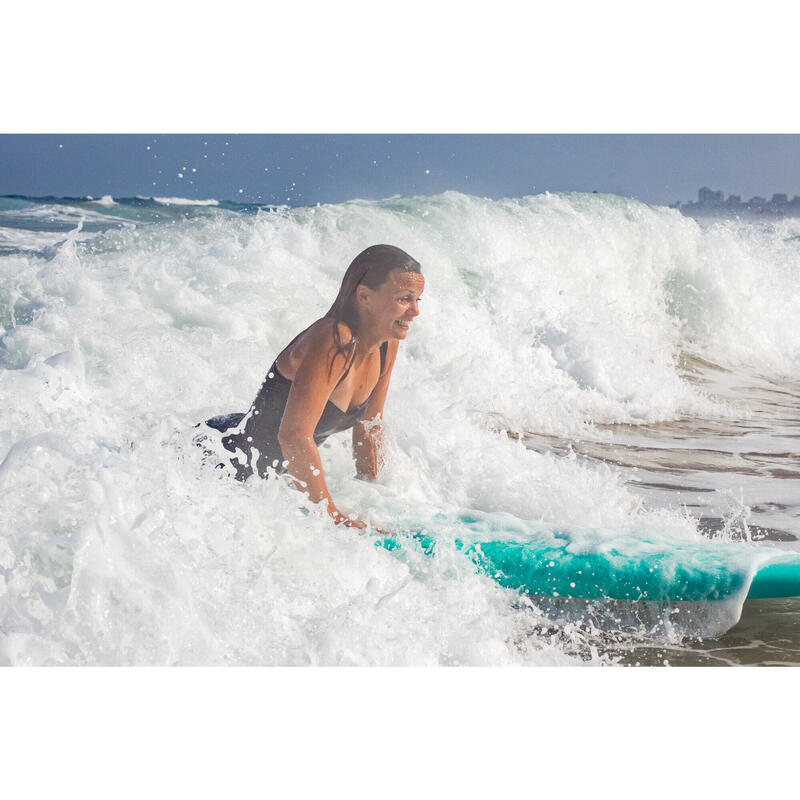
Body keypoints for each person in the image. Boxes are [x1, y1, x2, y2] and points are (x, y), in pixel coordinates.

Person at [202, 244, 424, 529]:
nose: (415, 311)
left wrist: (373, 495)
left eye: (418, 299)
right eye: (405, 299)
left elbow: (370, 425)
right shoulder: (333, 339)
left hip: (260, 482)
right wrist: (332, 516)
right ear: (364, 296)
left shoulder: (386, 344)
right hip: (216, 462)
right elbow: (294, 436)